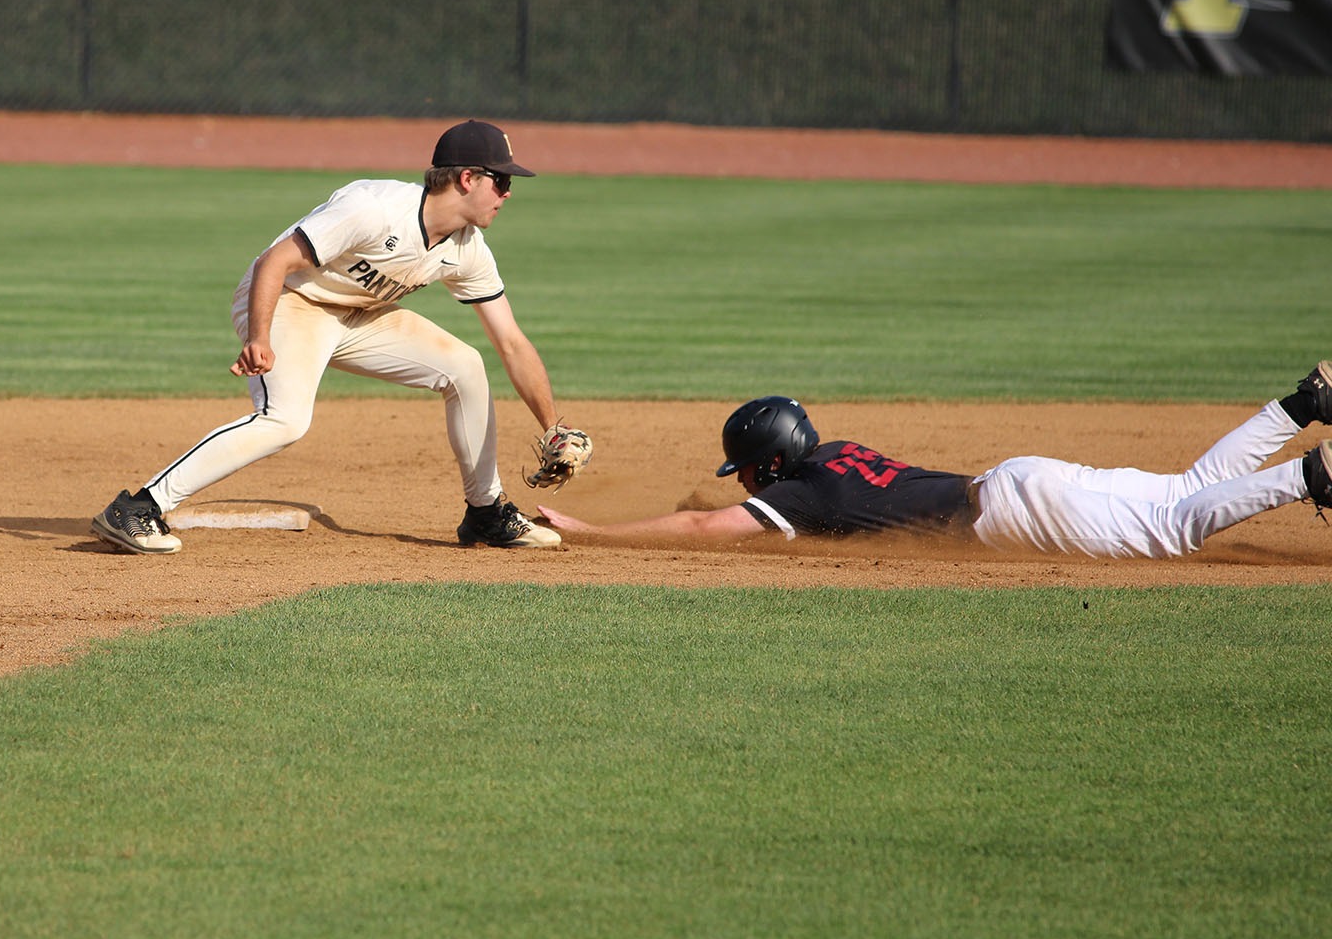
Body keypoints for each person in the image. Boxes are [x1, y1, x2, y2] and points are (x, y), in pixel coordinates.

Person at [92, 120, 572, 554]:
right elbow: (274, 262)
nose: (507, 193)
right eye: (501, 180)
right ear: (468, 178)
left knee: (465, 366)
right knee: (285, 420)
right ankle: (137, 507)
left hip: (359, 313)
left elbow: (510, 340)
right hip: (289, 300)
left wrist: (553, 428)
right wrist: (259, 336)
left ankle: (486, 513)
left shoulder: (467, 249)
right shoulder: (373, 209)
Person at [536, 363, 1332, 559]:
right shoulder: (837, 454)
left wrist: (593, 531)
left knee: (1176, 528)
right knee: (1186, 489)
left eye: (747, 471)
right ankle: (1304, 402)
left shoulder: (806, 497)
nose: (744, 483)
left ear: (772, 466)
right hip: (1021, 480)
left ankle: (1312, 473)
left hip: (1022, 506)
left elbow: (708, 524)